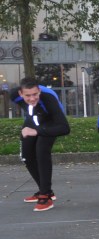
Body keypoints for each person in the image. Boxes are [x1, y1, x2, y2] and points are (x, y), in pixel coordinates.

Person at [13, 77, 70, 211]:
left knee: (41, 150)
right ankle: (45, 189)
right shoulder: (14, 95)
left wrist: (37, 131)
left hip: (51, 122)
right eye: (28, 96)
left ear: (39, 91)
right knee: (26, 155)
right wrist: (31, 118)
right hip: (34, 119)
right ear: (21, 94)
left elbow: (64, 128)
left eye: (35, 94)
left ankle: (45, 196)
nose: (32, 98)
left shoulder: (48, 99)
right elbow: (28, 107)